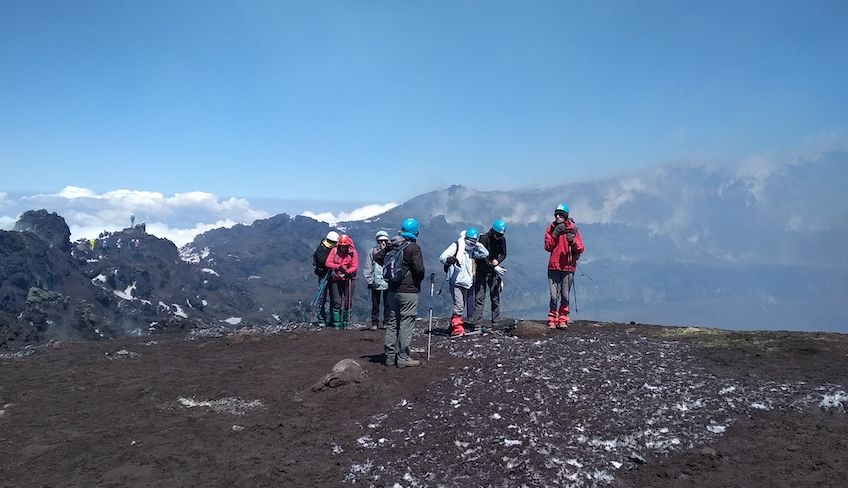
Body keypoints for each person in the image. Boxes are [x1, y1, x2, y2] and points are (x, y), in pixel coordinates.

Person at [374, 218, 425, 368]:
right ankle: (402, 358)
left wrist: (388, 246)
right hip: (408, 291)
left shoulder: (393, 246)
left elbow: (377, 258)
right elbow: (419, 269)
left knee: (392, 323)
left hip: (392, 291)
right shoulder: (413, 248)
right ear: (416, 232)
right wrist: (417, 281)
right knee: (406, 323)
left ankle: (389, 357)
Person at [440, 227, 489, 337]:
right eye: (470, 241)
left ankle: (453, 325)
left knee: (460, 305)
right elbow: (442, 257)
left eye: (473, 242)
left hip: (467, 282)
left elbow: (485, 254)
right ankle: (457, 328)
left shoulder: (472, 251)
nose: (471, 244)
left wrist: (478, 244)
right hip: (456, 282)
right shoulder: (457, 246)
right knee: (459, 305)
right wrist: (450, 259)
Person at [544, 203, 585, 328]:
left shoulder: (573, 230)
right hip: (554, 266)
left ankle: (562, 318)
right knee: (553, 296)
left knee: (565, 295)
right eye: (556, 214)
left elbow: (581, 248)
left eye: (560, 215)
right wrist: (555, 235)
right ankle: (552, 318)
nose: (557, 217)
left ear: (565, 216)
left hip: (567, 267)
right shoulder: (551, 229)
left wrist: (572, 241)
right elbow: (547, 247)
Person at [472, 219, 508, 332]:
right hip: (482, 270)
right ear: (493, 231)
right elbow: (482, 256)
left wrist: (497, 261)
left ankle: (495, 322)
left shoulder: (501, 239)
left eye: (500, 235)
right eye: (497, 234)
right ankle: (477, 324)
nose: (498, 237)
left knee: (495, 296)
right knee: (479, 298)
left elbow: (504, 253)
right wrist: (494, 266)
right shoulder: (484, 238)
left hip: (493, 271)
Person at [324, 234, 358, 329]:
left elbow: (355, 265)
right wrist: (338, 267)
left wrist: (348, 272)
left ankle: (346, 323)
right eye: (342, 246)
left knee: (348, 302)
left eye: (344, 246)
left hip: (348, 279)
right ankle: (337, 324)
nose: (343, 248)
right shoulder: (334, 251)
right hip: (336, 279)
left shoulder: (353, 253)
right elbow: (328, 263)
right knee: (336, 302)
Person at [363, 230, 391, 330]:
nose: (382, 242)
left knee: (388, 304)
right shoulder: (372, 252)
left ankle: (386, 321)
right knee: (375, 304)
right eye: (381, 241)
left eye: (384, 241)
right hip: (376, 281)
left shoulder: (391, 252)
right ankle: (375, 322)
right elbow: (368, 266)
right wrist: (369, 280)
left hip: (387, 282)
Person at [311, 231, 339, 325]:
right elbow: (323, 261)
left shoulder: (323, 247)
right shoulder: (322, 249)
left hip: (331, 275)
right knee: (322, 297)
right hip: (324, 275)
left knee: (333, 297)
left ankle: (328, 320)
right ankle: (322, 320)